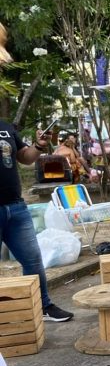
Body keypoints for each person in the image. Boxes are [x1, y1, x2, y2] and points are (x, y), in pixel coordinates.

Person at [0, 121, 74, 321]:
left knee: (32, 260)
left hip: (16, 207)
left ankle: (43, 306)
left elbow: (24, 157)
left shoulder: (5, 127)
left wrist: (39, 145)